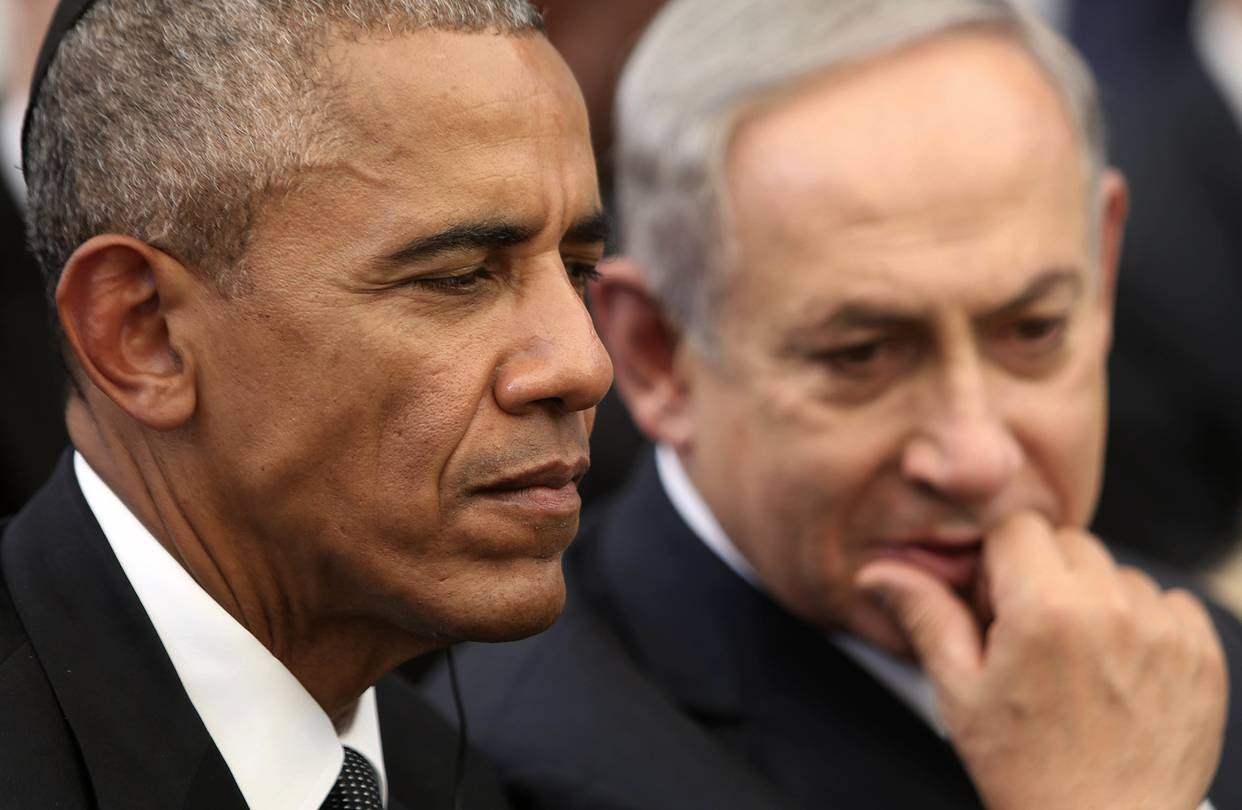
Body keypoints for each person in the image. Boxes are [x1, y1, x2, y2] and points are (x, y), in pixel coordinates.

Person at [425, 1, 1242, 808]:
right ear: (658, 356)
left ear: (1103, 266)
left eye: (1031, 331)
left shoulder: (1181, 657)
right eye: (862, 357)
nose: (977, 455)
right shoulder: (516, 771)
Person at [0, 0, 613, 807]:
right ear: (140, 334)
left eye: (578, 271)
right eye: (459, 275)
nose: (584, 364)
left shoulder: (456, 773)